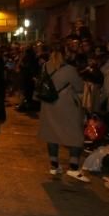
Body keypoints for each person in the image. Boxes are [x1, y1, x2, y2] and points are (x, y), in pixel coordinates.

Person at [37, 46, 87, 181]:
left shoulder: (45, 67)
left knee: (52, 134)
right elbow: (79, 86)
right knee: (75, 134)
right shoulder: (70, 70)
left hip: (48, 105)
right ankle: (74, 167)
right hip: (66, 105)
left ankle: (54, 166)